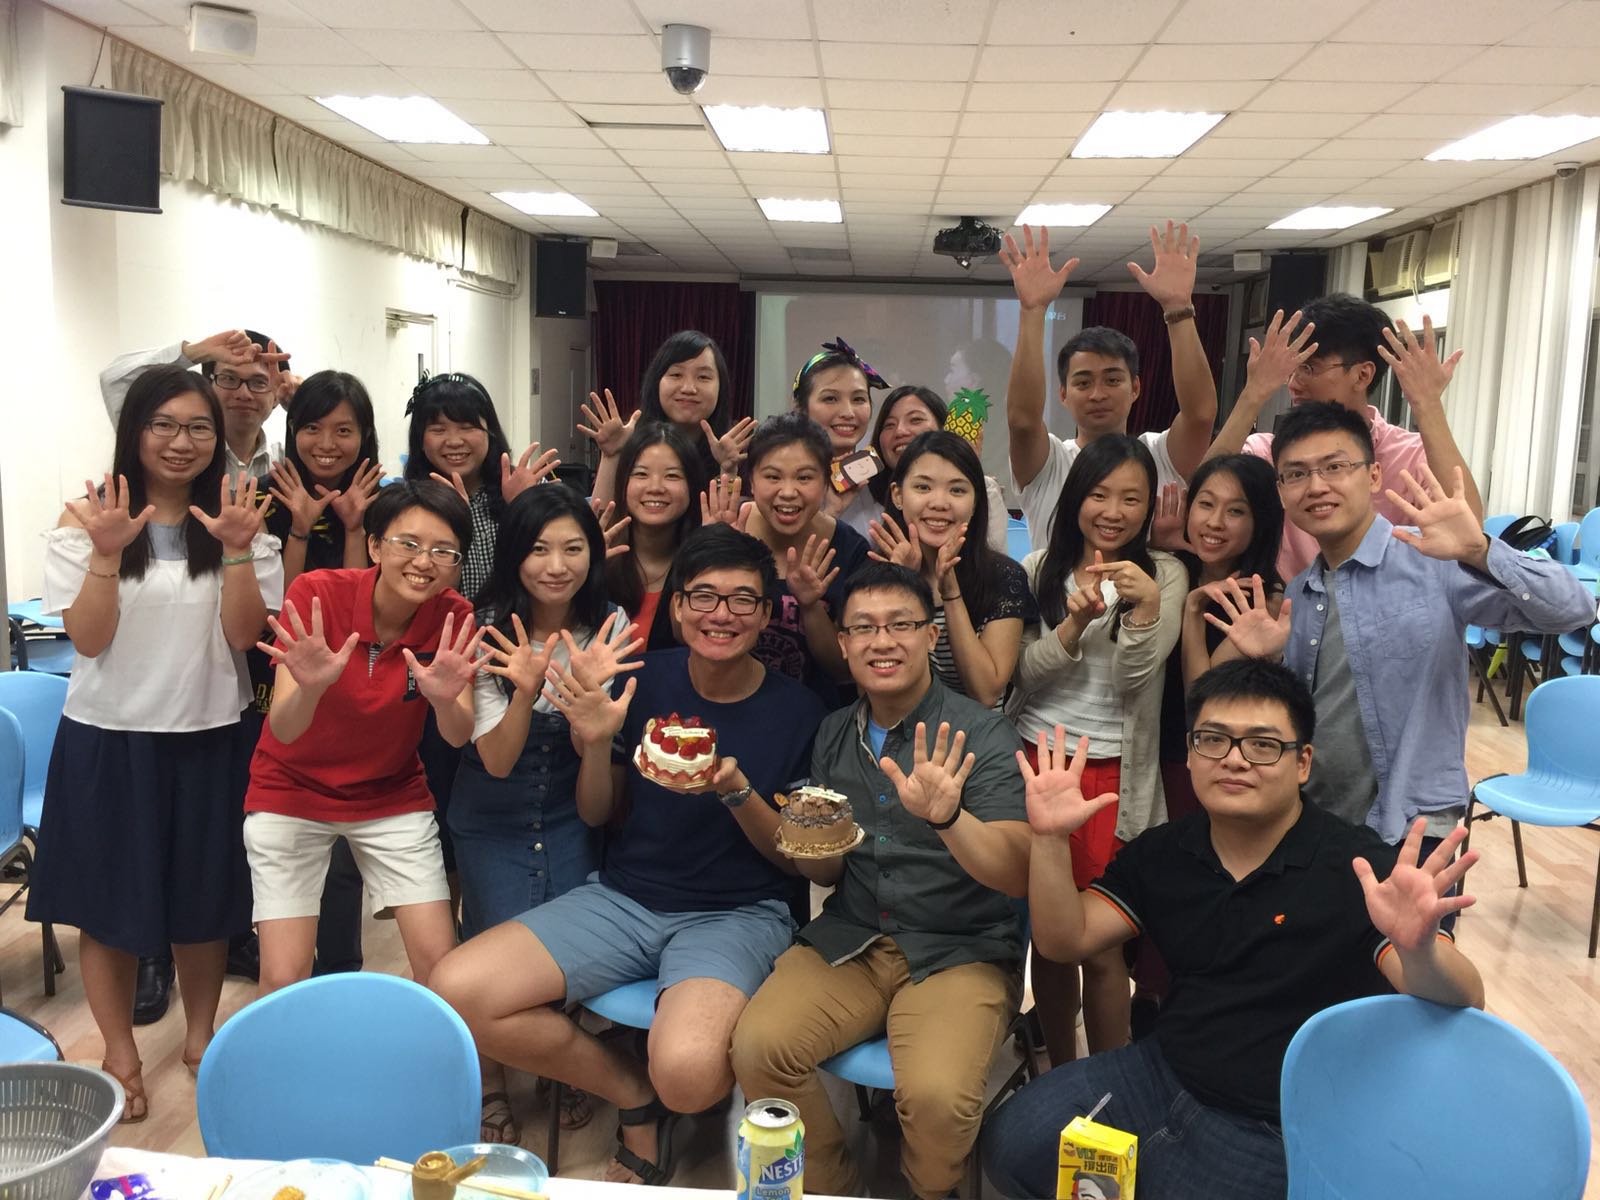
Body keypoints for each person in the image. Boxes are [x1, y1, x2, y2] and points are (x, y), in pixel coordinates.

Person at [981, 658, 1486, 1199]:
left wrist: (1419, 950)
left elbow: (1466, 996)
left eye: (1263, 745)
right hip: (1162, 1069)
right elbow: (1066, 939)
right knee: (1013, 1143)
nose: (1235, 759)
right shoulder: (1166, 851)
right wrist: (1050, 839)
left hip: (1273, 1116)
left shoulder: (1358, 868)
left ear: (1302, 762)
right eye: (1213, 740)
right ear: (1191, 753)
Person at [432, 525, 828, 1186]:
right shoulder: (643, 680)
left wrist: (735, 791)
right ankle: (629, 1092)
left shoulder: (801, 713)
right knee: (456, 993)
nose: (721, 614)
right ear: (676, 607)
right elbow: (596, 811)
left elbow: (795, 863)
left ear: (765, 614)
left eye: (741, 600)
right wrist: (593, 742)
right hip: (624, 896)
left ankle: (663, 1090)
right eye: (703, 596)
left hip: (739, 913)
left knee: (689, 1077)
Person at [27, 364, 283, 1122]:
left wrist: (237, 549)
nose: (181, 441)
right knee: (107, 909)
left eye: (199, 427)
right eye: (163, 424)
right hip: (109, 740)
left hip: (209, 736)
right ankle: (120, 1054)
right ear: (134, 432)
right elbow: (88, 639)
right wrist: (106, 553)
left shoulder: (238, 517)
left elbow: (245, 636)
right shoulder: (86, 518)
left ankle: (201, 1039)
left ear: (218, 438)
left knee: (205, 904)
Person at [731, 562, 1029, 1200]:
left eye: (900, 625)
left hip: (960, 946)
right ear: (842, 643)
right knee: (758, 1046)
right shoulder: (833, 732)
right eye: (863, 628)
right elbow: (825, 870)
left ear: (930, 636)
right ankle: (834, 1189)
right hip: (855, 936)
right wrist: (809, 841)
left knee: (938, 1098)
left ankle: (929, 1191)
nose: (882, 641)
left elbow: (1016, 868)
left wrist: (948, 818)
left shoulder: (981, 732)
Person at [1204, 401, 1595, 847]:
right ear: (1281, 492)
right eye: (1296, 474)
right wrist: (1268, 662)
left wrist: (1480, 550)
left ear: (1373, 476)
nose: (1316, 486)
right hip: (1314, 818)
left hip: (1411, 824)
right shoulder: (1300, 593)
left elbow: (1575, 610)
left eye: (1335, 466)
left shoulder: (1433, 560)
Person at [451, 485, 641, 1144]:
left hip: (568, 804)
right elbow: (497, 761)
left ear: (594, 554)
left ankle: (563, 1065)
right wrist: (525, 691)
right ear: (513, 555)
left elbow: (595, 797)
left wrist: (591, 723)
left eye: (572, 548)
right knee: (489, 948)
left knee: (563, 954)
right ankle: (491, 1085)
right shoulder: (484, 625)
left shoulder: (610, 624)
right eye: (538, 549)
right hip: (491, 812)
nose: (556, 566)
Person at [243, 480, 482, 994]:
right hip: (291, 790)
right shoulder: (316, 595)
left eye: (443, 551)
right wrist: (311, 689)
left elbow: (458, 735)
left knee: (443, 972)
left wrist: (445, 699)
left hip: (390, 792)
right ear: (374, 545)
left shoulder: (454, 616)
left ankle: (427, 1050)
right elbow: (283, 728)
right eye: (408, 544)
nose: (424, 562)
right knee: (282, 977)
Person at [1008, 435, 1186, 1064]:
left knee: (1103, 947)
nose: (1113, 511)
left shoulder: (1163, 574)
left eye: (1131, 498)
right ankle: (1061, 1074)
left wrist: (1144, 609)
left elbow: (1136, 679)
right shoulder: (1037, 569)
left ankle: (1109, 1086)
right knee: (1049, 940)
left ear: (1148, 506)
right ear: (1076, 496)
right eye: (1099, 494)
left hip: (1113, 779)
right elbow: (1021, 676)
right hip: (1036, 766)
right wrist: (1074, 623)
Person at [253, 369, 386, 978]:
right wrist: (301, 529)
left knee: (343, 835)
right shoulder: (266, 494)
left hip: (356, 675)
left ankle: (340, 964)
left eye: (343, 430)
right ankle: (279, 961)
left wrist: (356, 526)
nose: (327, 444)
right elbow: (282, 608)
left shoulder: (381, 497)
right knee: (280, 826)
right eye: (312, 428)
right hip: (281, 675)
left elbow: (361, 603)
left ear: (365, 435)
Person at [1207, 297, 1484, 579]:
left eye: (1309, 368)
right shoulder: (1269, 452)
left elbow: (1468, 535)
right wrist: (1253, 394)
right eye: (1292, 370)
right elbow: (1203, 493)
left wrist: (1428, 405)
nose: (1293, 384)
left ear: (1362, 375)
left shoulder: (1411, 455)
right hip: (1287, 604)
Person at [1002, 222, 1218, 552]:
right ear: (1063, 394)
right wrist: (1032, 311)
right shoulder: (1051, 463)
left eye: (1113, 380)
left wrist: (1178, 309)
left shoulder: (1158, 455)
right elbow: (1022, 421)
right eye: (1083, 382)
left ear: (1136, 388)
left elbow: (1201, 415)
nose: (1098, 394)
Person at [866, 432, 1035, 708]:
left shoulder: (1004, 577)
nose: (939, 503)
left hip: (976, 733)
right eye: (923, 487)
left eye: (957, 490)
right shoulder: (877, 572)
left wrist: (951, 593)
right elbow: (875, 684)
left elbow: (986, 692)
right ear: (898, 495)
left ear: (976, 500)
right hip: (902, 728)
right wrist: (904, 587)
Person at [738, 412, 871, 704]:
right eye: (772, 476)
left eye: (804, 477)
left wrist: (811, 607)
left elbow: (844, 668)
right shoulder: (726, 525)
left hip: (817, 716)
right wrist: (715, 555)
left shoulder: (850, 550)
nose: (788, 492)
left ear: (825, 482)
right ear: (751, 481)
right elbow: (681, 631)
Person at [100, 328, 296, 480]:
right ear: (208, 386)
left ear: (276, 397)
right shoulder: (181, 455)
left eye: (259, 383)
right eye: (229, 378)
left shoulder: (285, 462)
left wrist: (301, 403)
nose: (243, 394)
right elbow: (114, 381)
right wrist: (195, 352)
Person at [583, 331, 755, 503]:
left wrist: (728, 469)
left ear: (721, 387)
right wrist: (612, 456)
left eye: (703, 377)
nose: (688, 388)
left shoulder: (738, 451)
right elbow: (601, 517)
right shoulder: (629, 439)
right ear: (656, 382)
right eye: (676, 375)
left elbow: (730, 519)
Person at [868, 384, 1010, 552]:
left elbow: (992, 559)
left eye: (916, 420)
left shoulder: (985, 490)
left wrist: (967, 470)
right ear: (897, 495)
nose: (900, 431)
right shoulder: (864, 494)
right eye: (889, 425)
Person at [604, 422, 707, 650]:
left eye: (672, 476)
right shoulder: (602, 560)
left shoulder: (702, 565)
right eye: (641, 474)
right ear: (623, 482)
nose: (655, 487)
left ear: (692, 485)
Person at [791, 337, 886, 534]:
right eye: (830, 398)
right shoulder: (784, 481)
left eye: (858, 399)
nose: (848, 413)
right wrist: (830, 513)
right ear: (801, 409)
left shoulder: (880, 479)